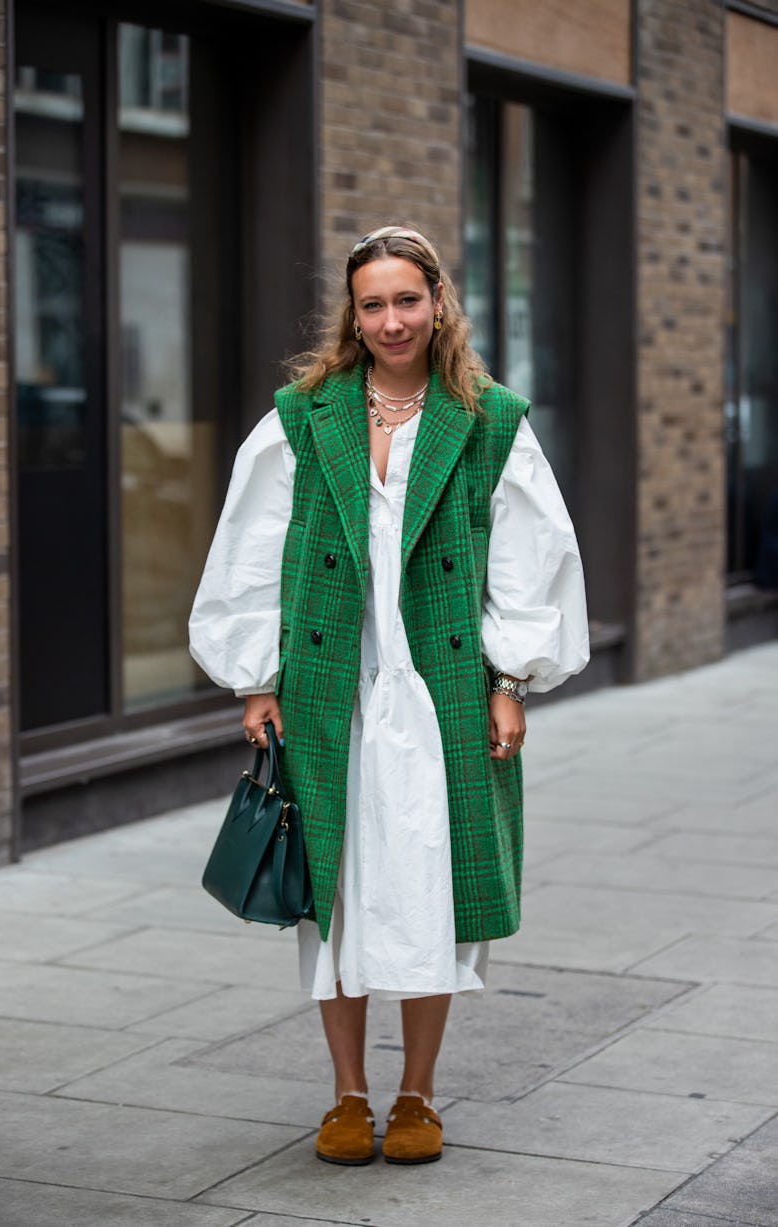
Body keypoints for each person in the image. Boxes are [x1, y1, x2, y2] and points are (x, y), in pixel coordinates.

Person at [189, 224, 589, 1166]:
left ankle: (416, 1094)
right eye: (373, 303)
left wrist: (509, 681)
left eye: (407, 299)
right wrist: (255, 676)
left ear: (439, 301)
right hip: (332, 688)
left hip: (440, 688)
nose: (391, 319)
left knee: (430, 888)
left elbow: (529, 562)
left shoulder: (488, 419)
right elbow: (248, 549)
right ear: (352, 313)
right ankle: (347, 1095)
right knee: (336, 892)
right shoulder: (303, 415)